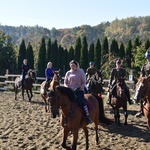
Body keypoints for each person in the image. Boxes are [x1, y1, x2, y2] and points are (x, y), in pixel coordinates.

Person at [64, 60, 92, 124]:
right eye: (71, 65)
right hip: (70, 91)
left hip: (79, 90)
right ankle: (63, 116)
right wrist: (67, 87)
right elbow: (65, 82)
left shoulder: (80, 71)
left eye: (73, 65)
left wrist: (80, 87)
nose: (72, 67)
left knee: (81, 102)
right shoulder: (68, 73)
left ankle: (87, 116)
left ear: (76, 65)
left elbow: (84, 82)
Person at [135, 51, 150, 117]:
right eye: (147, 57)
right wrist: (141, 78)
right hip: (146, 81)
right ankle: (141, 110)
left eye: (149, 57)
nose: (148, 59)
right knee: (140, 91)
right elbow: (142, 74)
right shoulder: (144, 65)